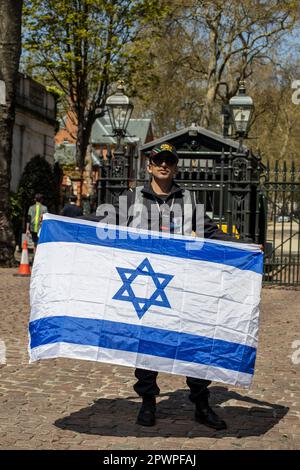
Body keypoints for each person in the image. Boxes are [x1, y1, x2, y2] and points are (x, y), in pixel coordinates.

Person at [117, 142, 238, 431]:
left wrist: (245, 246)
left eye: (169, 161)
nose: (163, 165)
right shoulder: (132, 198)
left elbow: (210, 233)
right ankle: (147, 403)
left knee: (193, 342)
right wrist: (64, 223)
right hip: (147, 284)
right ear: (149, 165)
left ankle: (201, 403)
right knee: (148, 344)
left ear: (175, 167)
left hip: (184, 284)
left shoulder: (187, 199)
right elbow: (105, 227)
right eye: (158, 160)